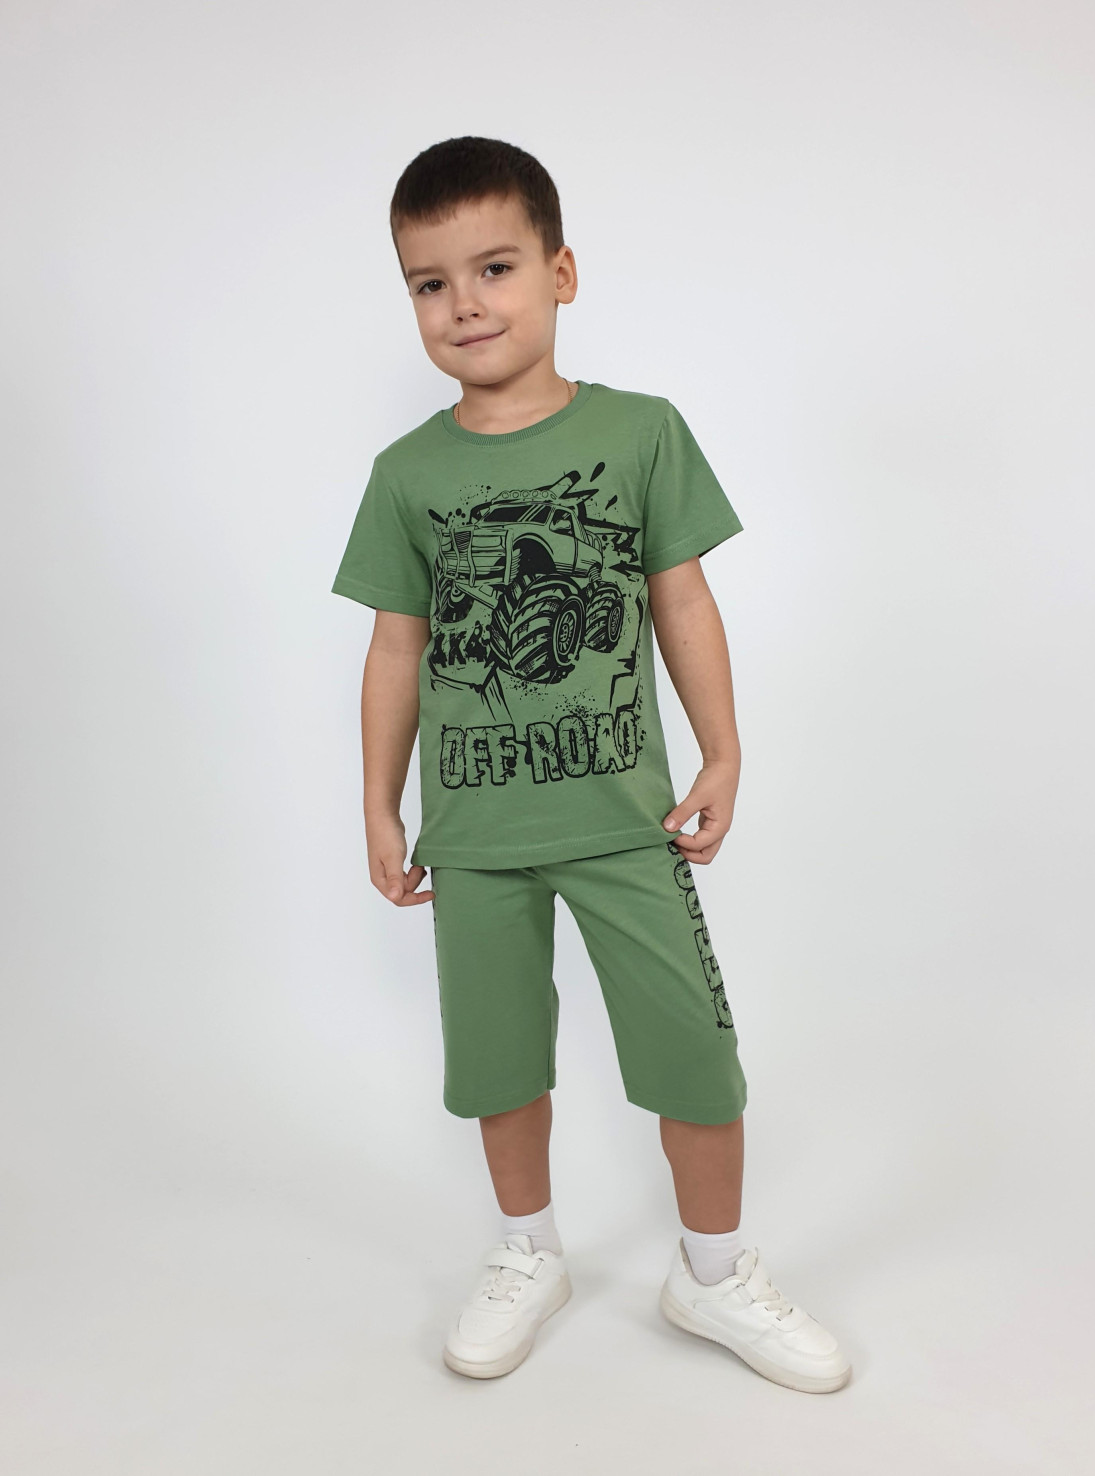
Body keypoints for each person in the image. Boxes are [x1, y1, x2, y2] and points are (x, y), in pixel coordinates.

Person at [331, 135, 851, 1394]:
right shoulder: (407, 475)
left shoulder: (639, 433)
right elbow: (397, 648)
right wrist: (380, 805)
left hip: (627, 820)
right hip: (475, 835)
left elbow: (680, 600)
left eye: (494, 267)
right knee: (499, 1063)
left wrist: (722, 748)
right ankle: (528, 1252)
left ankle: (712, 1272)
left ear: (560, 273)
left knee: (693, 1055)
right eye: (428, 283)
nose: (463, 304)